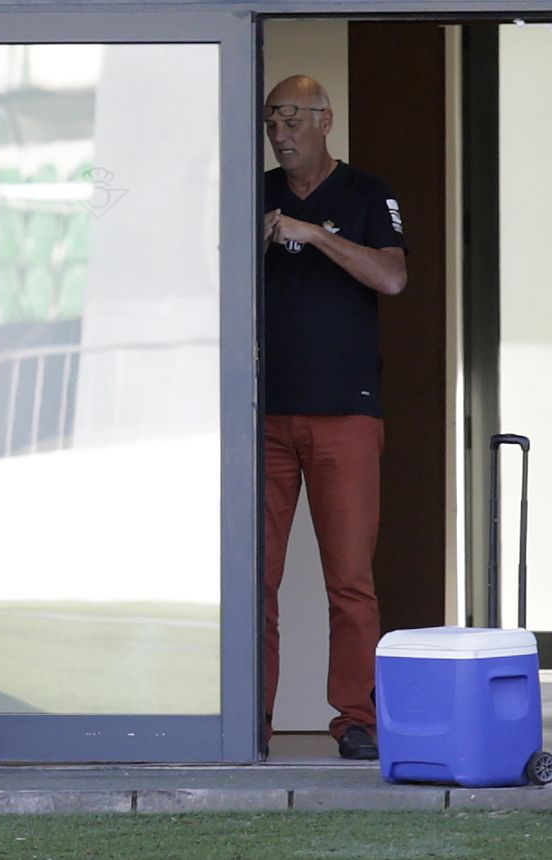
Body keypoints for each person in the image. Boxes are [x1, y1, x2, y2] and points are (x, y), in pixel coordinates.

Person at [261, 75, 407, 760]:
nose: (282, 131)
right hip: (260, 420)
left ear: (325, 119)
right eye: (272, 119)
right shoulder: (252, 192)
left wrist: (311, 234)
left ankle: (355, 720)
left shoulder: (366, 193)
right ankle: (247, 720)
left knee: (349, 580)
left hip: (346, 416)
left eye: (293, 116)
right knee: (252, 578)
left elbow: (392, 277)